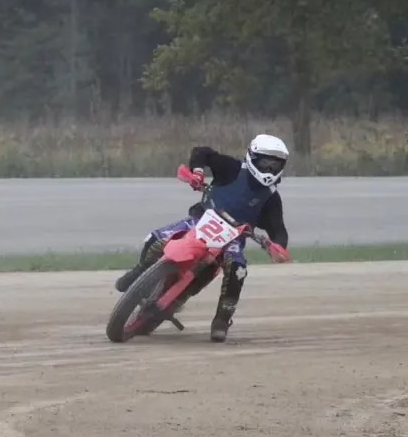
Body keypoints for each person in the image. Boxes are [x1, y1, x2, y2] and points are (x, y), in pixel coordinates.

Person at [114, 134, 291, 342]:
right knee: (155, 238)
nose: (269, 170)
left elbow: (278, 228)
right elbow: (202, 153)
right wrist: (197, 172)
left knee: (238, 269)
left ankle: (222, 319)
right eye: (265, 163)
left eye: (275, 166)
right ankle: (139, 271)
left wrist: (277, 246)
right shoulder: (232, 168)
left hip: (232, 239)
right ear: (252, 157)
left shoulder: (270, 198)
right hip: (201, 220)